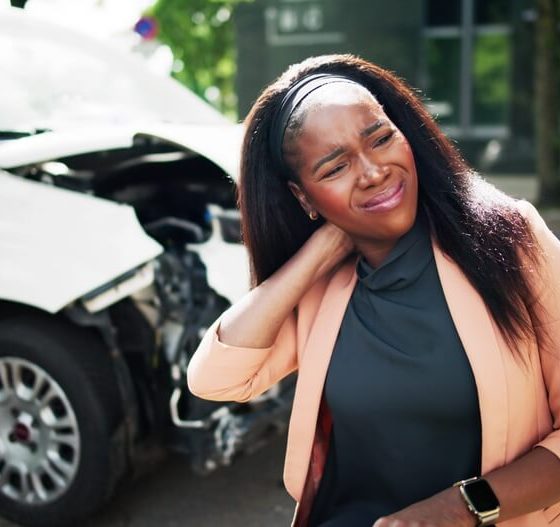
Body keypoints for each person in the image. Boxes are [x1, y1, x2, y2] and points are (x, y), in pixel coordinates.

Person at [187, 54, 560, 527]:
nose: (373, 171)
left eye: (380, 138)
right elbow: (215, 379)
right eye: (334, 168)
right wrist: (322, 250)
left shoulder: (508, 240)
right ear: (303, 197)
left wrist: (462, 507)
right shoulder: (322, 290)